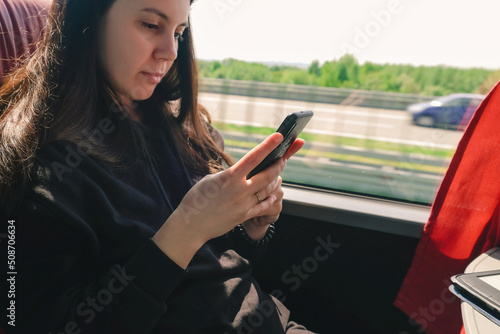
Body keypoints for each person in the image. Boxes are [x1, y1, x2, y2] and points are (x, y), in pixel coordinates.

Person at [0, 0, 314, 333]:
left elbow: (219, 265)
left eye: (179, 32)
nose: (170, 52)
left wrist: (251, 227)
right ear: (89, 19)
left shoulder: (182, 127)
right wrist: (185, 230)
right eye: (151, 25)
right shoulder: (39, 166)